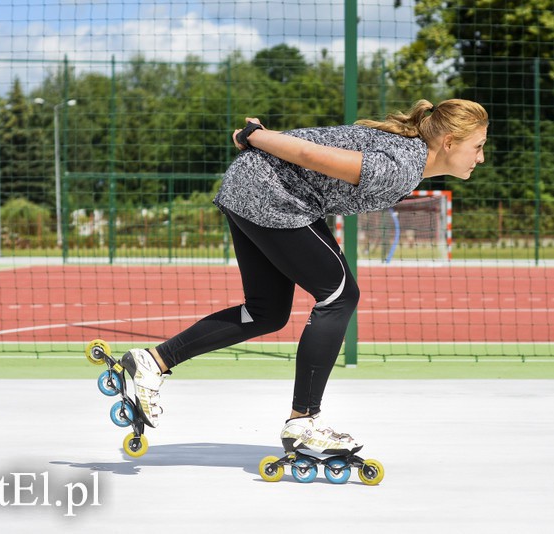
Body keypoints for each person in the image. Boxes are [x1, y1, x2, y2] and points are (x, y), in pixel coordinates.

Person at [118, 98, 489, 456]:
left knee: (266, 312)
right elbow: (311, 154)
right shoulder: (402, 167)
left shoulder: (406, 155)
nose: (481, 157)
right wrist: (255, 137)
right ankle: (304, 421)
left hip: (254, 186)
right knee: (340, 295)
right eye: (478, 146)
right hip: (274, 195)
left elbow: (315, 142)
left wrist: (258, 135)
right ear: (449, 142)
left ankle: (151, 362)